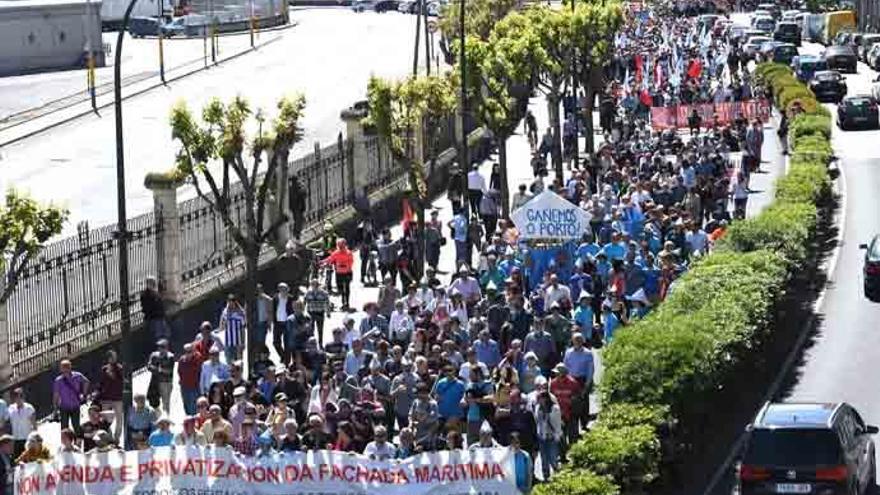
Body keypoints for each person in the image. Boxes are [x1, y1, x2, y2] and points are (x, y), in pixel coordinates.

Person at [52, 359, 90, 437]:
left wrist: (84, 394)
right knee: (64, 429)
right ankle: (66, 444)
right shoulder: (58, 380)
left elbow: (86, 382)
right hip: (64, 407)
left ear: (70, 367)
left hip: (75, 405)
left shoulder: (77, 376)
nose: (65, 369)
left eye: (66, 366)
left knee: (76, 426)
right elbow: (56, 396)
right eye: (63, 367)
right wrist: (55, 410)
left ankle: (78, 442)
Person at [94, 350, 124, 440]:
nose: (113, 359)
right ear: (108, 358)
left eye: (114, 357)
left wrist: (114, 374)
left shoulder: (120, 368)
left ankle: (117, 438)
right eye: (111, 357)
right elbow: (100, 383)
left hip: (117, 398)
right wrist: (97, 391)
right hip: (106, 398)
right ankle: (109, 436)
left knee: (119, 419)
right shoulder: (104, 369)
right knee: (105, 420)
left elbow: (121, 381)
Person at [534, 391, 562, 481]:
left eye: (540, 398)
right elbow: (537, 421)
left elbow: (557, 424)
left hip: (552, 437)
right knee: (544, 459)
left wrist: (557, 436)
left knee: (553, 458)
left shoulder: (555, 409)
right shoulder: (538, 408)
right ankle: (546, 477)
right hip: (542, 437)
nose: (538, 401)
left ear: (545, 399)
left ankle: (558, 476)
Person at [322, 239, 355, 310]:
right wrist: (322, 262)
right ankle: (344, 302)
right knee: (341, 289)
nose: (340, 247)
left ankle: (346, 303)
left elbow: (351, 262)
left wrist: (345, 266)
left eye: (341, 245)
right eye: (339, 245)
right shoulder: (336, 253)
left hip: (346, 273)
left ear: (344, 245)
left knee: (346, 288)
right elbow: (330, 259)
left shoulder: (348, 253)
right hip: (339, 273)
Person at [147, 339, 175, 414]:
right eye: (159, 346)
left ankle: (166, 421)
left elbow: (169, 371)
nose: (160, 348)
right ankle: (158, 418)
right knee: (153, 401)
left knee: (165, 404)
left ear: (167, 347)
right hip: (155, 381)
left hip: (166, 383)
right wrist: (159, 370)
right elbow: (149, 366)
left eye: (162, 347)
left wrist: (158, 369)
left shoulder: (170, 357)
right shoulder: (154, 355)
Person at [6, 389, 34, 460]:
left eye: (20, 397)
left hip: (27, 438)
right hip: (16, 439)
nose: (18, 399)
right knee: (18, 460)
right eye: (16, 397)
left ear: (23, 397)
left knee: (29, 459)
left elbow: (34, 423)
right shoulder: (10, 408)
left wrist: (34, 436)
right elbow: (7, 420)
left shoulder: (29, 408)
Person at [219, 294, 246, 364]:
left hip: (238, 342)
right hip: (228, 343)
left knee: (239, 362)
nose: (230, 305)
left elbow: (243, 329)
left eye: (232, 303)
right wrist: (225, 316)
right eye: (229, 303)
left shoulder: (240, 313)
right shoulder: (225, 312)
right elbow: (221, 327)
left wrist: (243, 342)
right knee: (229, 362)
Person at [304, 278, 331, 347]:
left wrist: (328, 312)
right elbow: (304, 302)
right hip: (311, 313)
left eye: (315, 285)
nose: (314, 286)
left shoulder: (323, 293)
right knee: (310, 330)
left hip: (320, 313)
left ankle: (320, 343)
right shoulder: (308, 292)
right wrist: (303, 312)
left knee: (320, 329)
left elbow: (327, 303)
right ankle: (312, 343)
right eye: (313, 284)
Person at [177, 343, 202, 416]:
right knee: (186, 406)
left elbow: (200, 371)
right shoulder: (181, 360)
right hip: (184, 386)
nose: (188, 353)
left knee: (194, 407)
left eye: (190, 351)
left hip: (195, 386)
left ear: (193, 350)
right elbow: (179, 372)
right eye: (186, 352)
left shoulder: (198, 358)